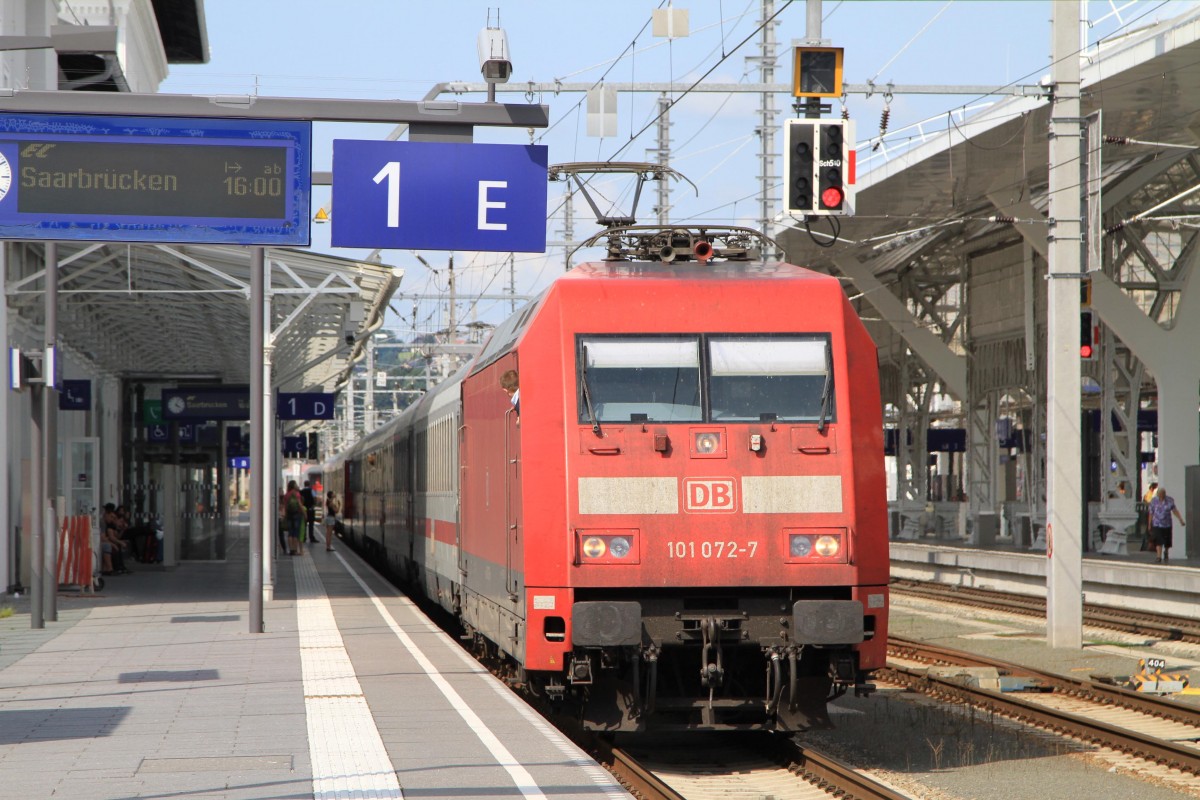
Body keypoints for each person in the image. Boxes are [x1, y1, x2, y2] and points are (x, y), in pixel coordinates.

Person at [1148, 486, 1185, 564]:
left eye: (1163, 494)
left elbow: (1175, 511)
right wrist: (1149, 524)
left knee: (1167, 541)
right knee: (1158, 540)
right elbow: (1151, 513)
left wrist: (1180, 519)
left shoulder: (1169, 500)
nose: (1161, 495)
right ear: (1158, 494)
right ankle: (1158, 557)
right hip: (1157, 524)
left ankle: (1166, 551)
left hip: (1167, 524)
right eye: (1160, 494)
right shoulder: (1154, 501)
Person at [282, 480, 305, 555]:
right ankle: (295, 549)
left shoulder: (286, 495)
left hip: (289, 515)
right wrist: (304, 513)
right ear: (294, 485)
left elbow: (284, 506)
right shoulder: (296, 494)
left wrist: (284, 515)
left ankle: (290, 549)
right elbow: (299, 504)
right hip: (296, 514)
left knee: (290, 532)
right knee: (295, 532)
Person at [301, 480, 319, 545]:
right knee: (311, 524)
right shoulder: (312, 490)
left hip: (304, 509)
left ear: (304, 484)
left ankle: (303, 537)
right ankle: (311, 537)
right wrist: (314, 504)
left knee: (304, 524)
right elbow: (315, 498)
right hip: (311, 509)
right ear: (309, 484)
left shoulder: (301, 491)